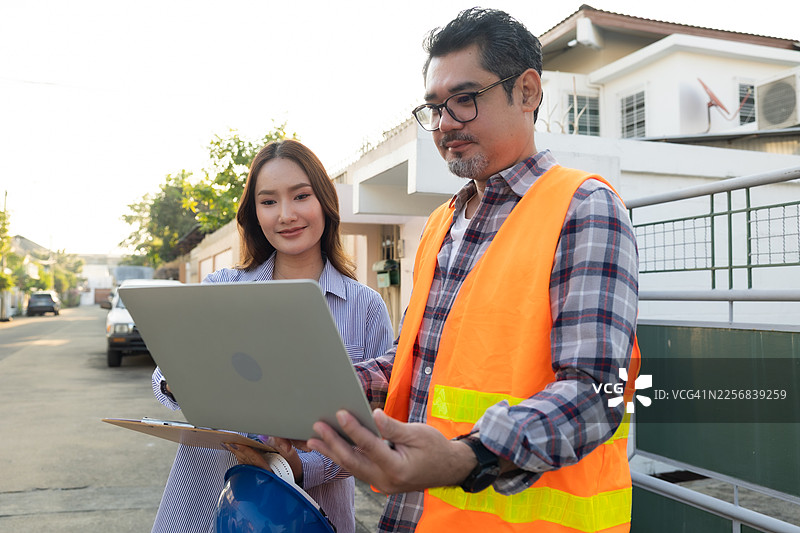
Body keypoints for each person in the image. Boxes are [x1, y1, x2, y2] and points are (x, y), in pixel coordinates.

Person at [306, 8, 641, 533]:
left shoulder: (584, 207)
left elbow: (595, 393)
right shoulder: (441, 223)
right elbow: (413, 367)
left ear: (527, 92)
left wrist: (469, 457)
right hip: (414, 517)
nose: (444, 125)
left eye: (464, 100)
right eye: (435, 107)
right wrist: (322, 393)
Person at [150, 139, 394, 533]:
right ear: (254, 214)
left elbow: (373, 432)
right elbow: (164, 378)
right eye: (268, 202)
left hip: (306, 515)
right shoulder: (222, 287)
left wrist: (300, 466)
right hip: (203, 506)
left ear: (325, 203)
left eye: (301, 196)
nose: (286, 215)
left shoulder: (365, 307)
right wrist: (182, 380)